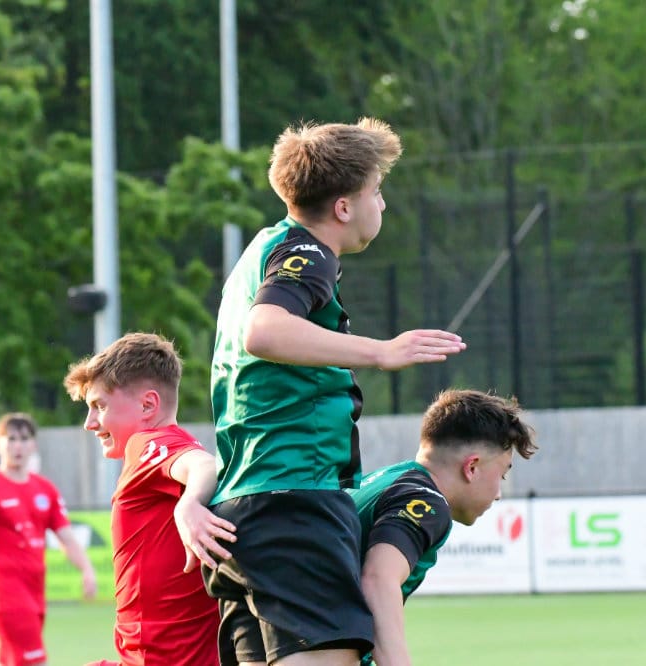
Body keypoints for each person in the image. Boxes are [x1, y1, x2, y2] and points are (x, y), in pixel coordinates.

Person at [205, 117, 466, 666]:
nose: (383, 204)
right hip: (293, 501)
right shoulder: (308, 252)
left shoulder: (262, 248)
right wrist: (380, 351)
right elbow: (264, 331)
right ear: (344, 206)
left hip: (247, 506)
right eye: (377, 191)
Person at [63, 332, 235, 666]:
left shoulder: (147, 445)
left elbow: (203, 466)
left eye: (99, 406)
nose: (89, 423)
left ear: (147, 405)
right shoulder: (171, 449)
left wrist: (188, 506)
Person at [350, 389, 538, 665]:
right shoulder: (426, 501)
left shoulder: (388, 479)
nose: (499, 493)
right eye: (502, 474)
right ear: (472, 467)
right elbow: (378, 580)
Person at [0, 412, 97, 666]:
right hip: (6, 596)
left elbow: (67, 538)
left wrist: (87, 569)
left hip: (35, 592)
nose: (18, 446)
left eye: (24, 439)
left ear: (33, 445)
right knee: (35, 661)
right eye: (11, 439)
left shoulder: (45, 489)